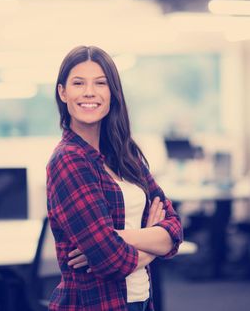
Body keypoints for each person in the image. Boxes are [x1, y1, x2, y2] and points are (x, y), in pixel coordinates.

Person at [46, 45, 183, 311]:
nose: (89, 92)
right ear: (63, 92)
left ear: (112, 93)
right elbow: (110, 260)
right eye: (78, 83)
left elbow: (175, 230)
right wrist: (152, 240)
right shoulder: (69, 160)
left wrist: (118, 236)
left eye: (100, 83)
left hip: (140, 301)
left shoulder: (124, 154)